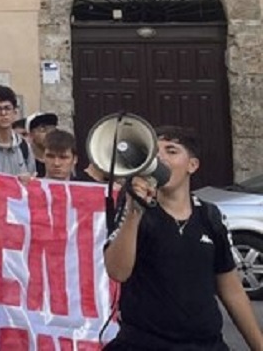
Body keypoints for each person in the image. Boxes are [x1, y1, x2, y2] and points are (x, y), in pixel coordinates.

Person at [104, 126, 263, 350]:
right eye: (155, 152)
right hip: (144, 344)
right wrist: (133, 212)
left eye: (172, 150)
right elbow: (118, 271)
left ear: (192, 165)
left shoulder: (210, 216)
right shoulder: (136, 211)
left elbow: (232, 290)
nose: (160, 158)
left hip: (205, 344)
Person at [26, 111, 58, 177]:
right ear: (31, 134)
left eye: (52, 129)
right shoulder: (24, 160)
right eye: (43, 129)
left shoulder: (59, 161)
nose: (49, 133)